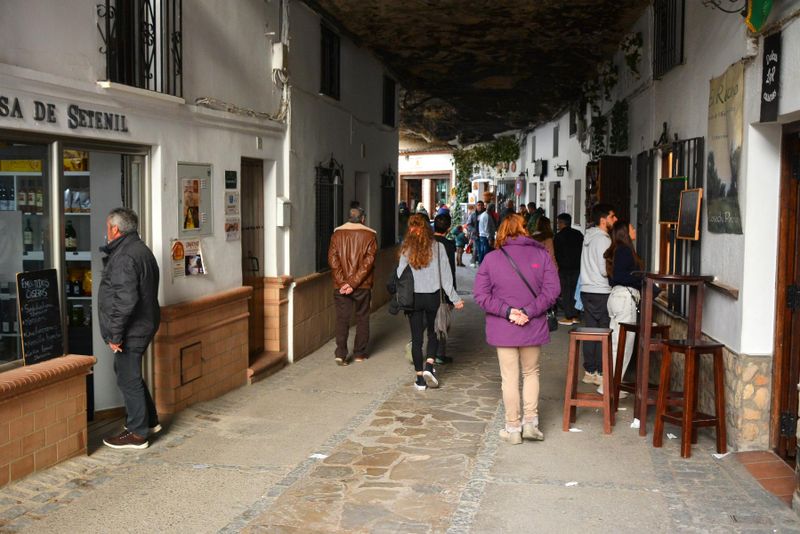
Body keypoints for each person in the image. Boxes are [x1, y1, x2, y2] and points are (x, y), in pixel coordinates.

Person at [474, 214, 560, 444]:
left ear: (501, 231)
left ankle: (513, 429)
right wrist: (529, 311)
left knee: (509, 378)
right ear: (524, 230)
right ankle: (530, 424)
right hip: (532, 325)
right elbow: (552, 291)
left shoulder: (491, 259)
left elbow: (481, 295)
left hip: (504, 327)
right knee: (531, 373)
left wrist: (508, 311)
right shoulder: (541, 255)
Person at [99, 208, 161, 450]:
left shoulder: (125, 256)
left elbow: (126, 300)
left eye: (107, 227)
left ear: (115, 229)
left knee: (128, 377)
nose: (107, 231)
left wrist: (115, 334)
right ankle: (150, 420)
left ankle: (137, 434)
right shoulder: (140, 249)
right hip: (144, 323)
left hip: (133, 328)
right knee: (128, 373)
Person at [398, 214, 464, 390]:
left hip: (414, 298)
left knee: (417, 338)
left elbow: (399, 274)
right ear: (427, 229)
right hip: (433, 297)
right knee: (434, 333)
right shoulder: (438, 247)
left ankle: (419, 379)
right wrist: (455, 299)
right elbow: (447, 279)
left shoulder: (406, 249)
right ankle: (429, 366)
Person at [328, 207, 378, 366]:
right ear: (363, 219)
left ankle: (340, 354)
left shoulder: (337, 235)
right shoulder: (370, 236)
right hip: (362, 286)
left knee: (342, 319)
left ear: (349, 218)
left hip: (341, 286)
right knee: (362, 318)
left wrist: (344, 283)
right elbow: (368, 264)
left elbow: (333, 261)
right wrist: (353, 283)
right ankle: (359, 354)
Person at [601, 221, 643, 396]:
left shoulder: (616, 251)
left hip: (616, 297)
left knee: (617, 343)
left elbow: (613, 278)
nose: (635, 230)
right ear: (625, 232)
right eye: (632, 227)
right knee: (623, 345)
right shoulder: (625, 251)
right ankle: (611, 387)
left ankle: (610, 383)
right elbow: (620, 276)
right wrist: (641, 279)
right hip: (625, 299)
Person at [579, 203, 618, 386]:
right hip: (601, 290)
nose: (614, 220)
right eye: (612, 217)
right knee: (603, 332)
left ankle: (590, 370)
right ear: (603, 220)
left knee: (590, 330)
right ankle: (601, 372)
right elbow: (604, 270)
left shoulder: (588, 237)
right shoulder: (603, 240)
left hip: (587, 289)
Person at [433, 213, 456, 365]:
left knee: (428, 321)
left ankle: (418, 347)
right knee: (442, 323)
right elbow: (451, 271)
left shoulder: (426, 243)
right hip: (442, 290)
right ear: (448, 228)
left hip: (426, 287)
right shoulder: (448, 245)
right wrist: (452, 295)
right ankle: (440, 354)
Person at [554, 213, 584, 325]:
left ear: (562, 223)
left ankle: (569, 315)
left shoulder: (558, 236)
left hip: (564, 268)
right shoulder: (578, 234)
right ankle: (576, 315)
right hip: (577, 267)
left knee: (566, 292)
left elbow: (557, 253)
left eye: (558, 222)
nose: (558, 225)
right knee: (576, 291)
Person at [467, 201, 484, 267]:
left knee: (483, 249)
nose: (480, 206)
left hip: (484, 234)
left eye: (481, 205)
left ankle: (481, 261)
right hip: (475, 235)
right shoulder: (473, 215)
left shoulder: (485, 214)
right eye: (479, 205)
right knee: (476, 248)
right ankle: (473, 261)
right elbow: (468, 224)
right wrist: (474, 230)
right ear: (476, 206)